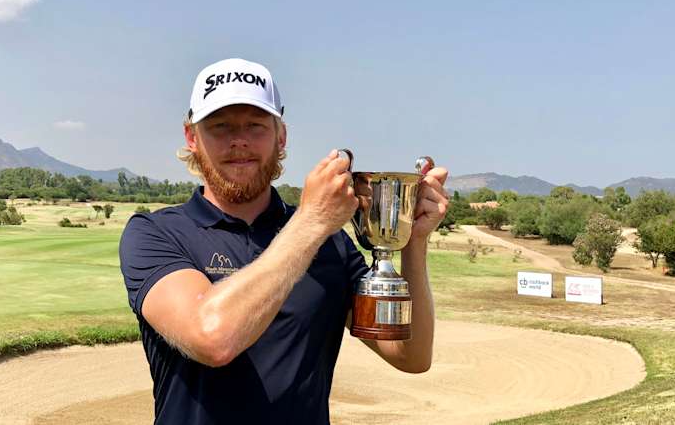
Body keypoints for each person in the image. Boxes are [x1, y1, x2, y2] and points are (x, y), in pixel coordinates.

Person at [119, 58, 449, 424]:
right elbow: (212, 338)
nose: (239, 140)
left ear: (282, 137)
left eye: (256, 126)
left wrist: (414, 242)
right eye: (220, 126)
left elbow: (410, 355)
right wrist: (311, 223)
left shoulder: (331, 245)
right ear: (192, 138)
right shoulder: (155, 233)